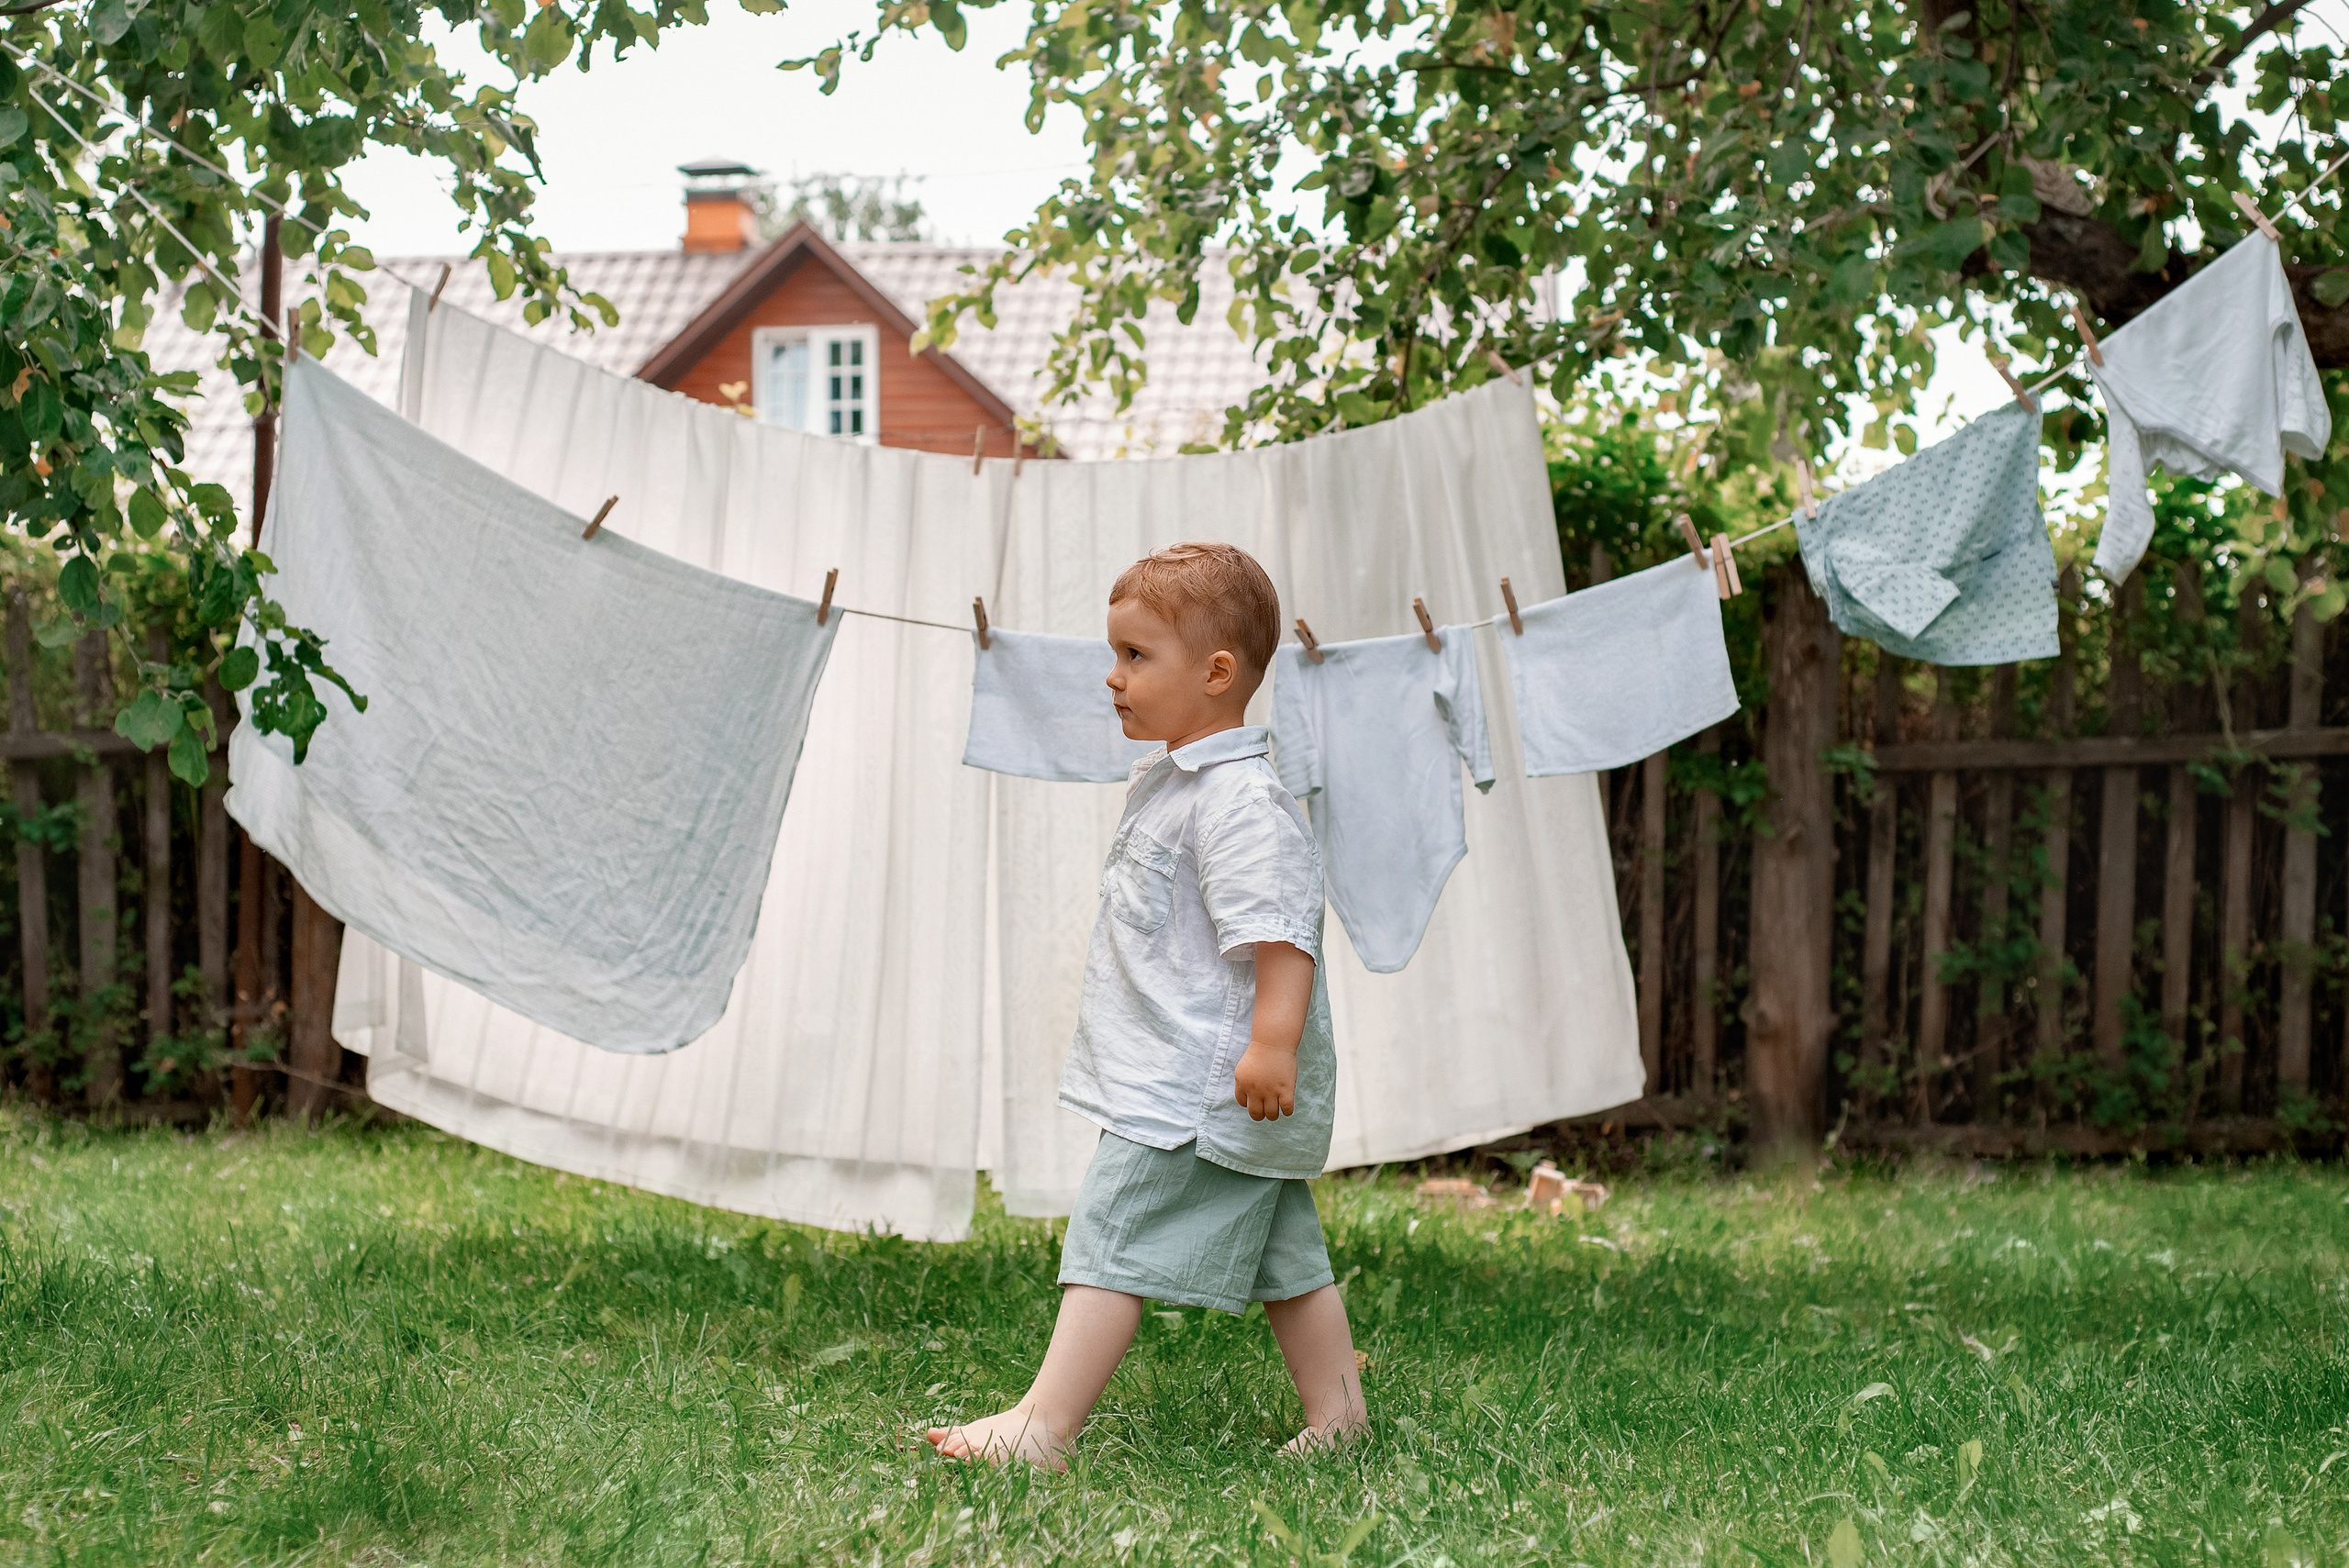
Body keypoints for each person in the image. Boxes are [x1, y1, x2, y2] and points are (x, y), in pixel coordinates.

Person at [927, 541, 1366, 1469]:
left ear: (1215, 672)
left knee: (1111, 1229)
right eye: (1115, 654)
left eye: (1135, 656)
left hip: (1195, 1084)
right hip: (1195, 1074)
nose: (1112, 677)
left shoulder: (1239, 800)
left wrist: (1271, 1044)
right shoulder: (1178, 784)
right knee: (1286, 1253)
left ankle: (1043, 1427)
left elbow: (1283, 932)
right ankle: (1340, 1417)